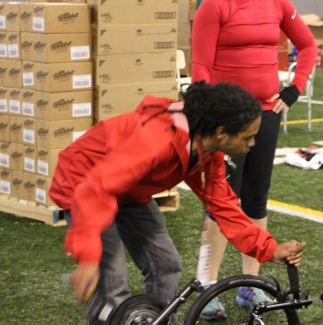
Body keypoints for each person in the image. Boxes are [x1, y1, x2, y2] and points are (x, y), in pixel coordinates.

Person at [49, 81, 306, 324]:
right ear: (221, 133)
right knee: (114, 284)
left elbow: (224, 207)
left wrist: (270, 249)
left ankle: (155, 320)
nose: (253, 143)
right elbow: (97, 188)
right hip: (85, 183)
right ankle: (108, 312)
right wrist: (89, 255)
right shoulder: (156, 141)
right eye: (247, 137)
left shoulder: (209, 150)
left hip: (128, 189)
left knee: (166, 265)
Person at [191, 0, 318, 320]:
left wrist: (294, 87)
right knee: (219, 204)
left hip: (264, 116)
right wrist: (210, 117)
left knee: (256, 199)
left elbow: (309, 45)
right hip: (227, 124)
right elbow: (201, 65)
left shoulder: (277, 2)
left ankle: (251, 286)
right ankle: (206, 286)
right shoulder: (214, 4)